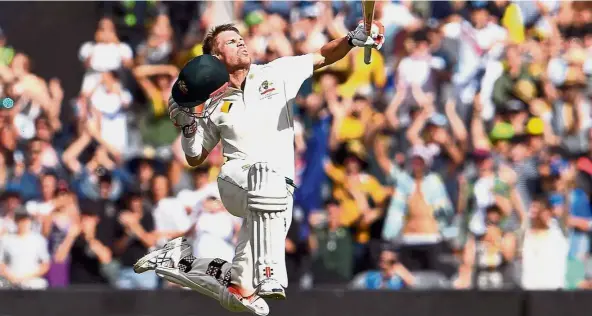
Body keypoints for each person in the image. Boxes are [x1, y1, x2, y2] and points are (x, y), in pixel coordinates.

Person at [133, 20, 385, 316]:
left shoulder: (276, 73)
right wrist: (189, 126)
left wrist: (352, 39)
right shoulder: (214, 103)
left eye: (240, 39)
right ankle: (271, 272)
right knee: (266, 181)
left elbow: (324, 56)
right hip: (237, 181)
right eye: (230, 42)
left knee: (240, 292)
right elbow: (195, 157)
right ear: (215, 59)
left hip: (280, 194)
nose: (241, 43)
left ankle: (176, 261)